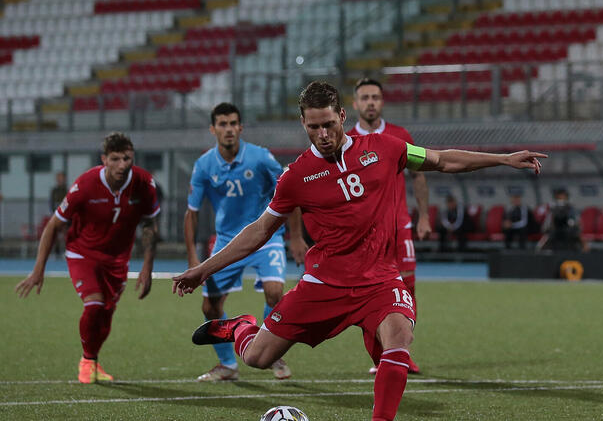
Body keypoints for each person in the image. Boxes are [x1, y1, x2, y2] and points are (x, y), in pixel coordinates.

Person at [172, 81, 544, 421]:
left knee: (399, 337)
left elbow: (441, 160)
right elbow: (259, 230)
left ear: (343, 117)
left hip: (380, 280)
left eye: (329, 124)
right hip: (324, 285)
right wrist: (204, 269)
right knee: (258, 358)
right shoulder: (296, 177)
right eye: (313, 127)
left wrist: (503, 158)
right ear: (302, 123)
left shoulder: (387, 148)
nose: (322, 134)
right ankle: (241, 327)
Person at [15, 132, 160, 384]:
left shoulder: (144, 183)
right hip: (83, 253)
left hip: (118, 259)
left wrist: (147, 268)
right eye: (115, 159)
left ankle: (92, 359)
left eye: (127, 158)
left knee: (106, 315)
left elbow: (150, 224)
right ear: (104, 159)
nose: (122, 164)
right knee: (93, 305)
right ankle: (87, 360)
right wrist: (38, 269)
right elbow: (53, 226)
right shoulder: (85, 184)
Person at [184, 102, 304, 382]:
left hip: (266, 236)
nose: (228, 129)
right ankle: (228, 365)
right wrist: (193, 257)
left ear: (241, 127)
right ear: (213, 129)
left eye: (233, 123)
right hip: (227, 241)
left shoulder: (261, 158)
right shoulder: (204, 165)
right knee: (210, 308)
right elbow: (191, 213)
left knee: (275, 292)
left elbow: (290, 190)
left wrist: (296, 237)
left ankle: (269, 350)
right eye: (222, 124)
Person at [348, 78, 430, 375]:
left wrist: (423, 216)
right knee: (367, 294)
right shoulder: (347, 141)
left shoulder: (399, 135)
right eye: (365, 97)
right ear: (355, 104)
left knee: (407, 289)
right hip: (366, 234)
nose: (371, 102)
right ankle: (380, 356)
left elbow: (419, 175)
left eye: (376, 97)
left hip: (400, 226)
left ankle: (401, 352)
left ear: (382, 102)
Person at [48, 171, 67, 258]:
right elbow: (51, 203)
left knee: (65, 233)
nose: (60, 180)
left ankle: (66, 251)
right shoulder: (54, 191)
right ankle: (56, 252)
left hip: (66, 216)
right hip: (56, 215)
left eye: (61, 178)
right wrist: (54, 213)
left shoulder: (67, 190)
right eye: (58, 178)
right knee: (54, 233)